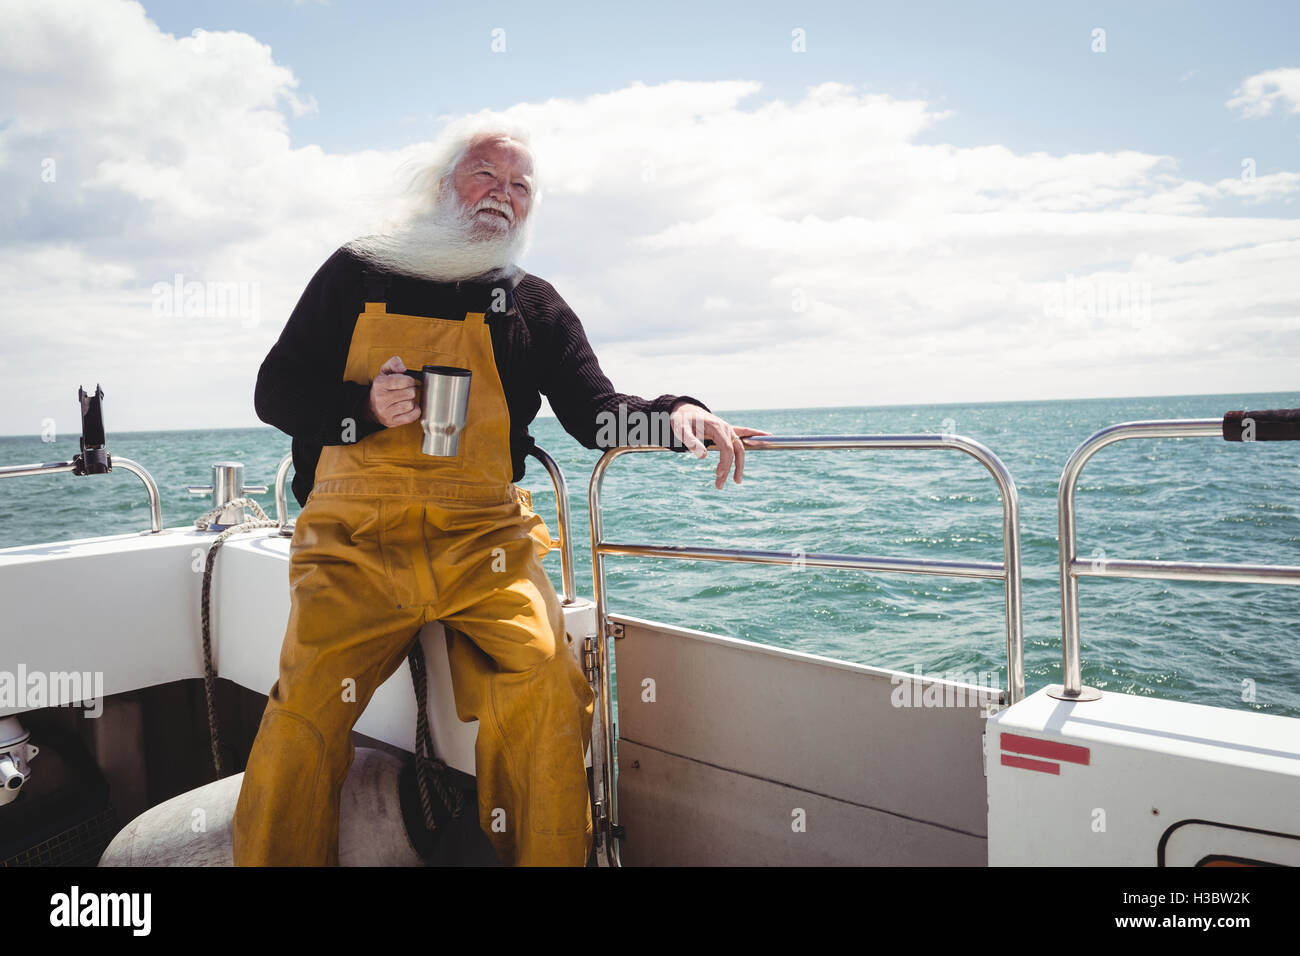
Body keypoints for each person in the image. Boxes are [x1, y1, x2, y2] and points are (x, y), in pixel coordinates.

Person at [232, 117, 771, 866]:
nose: (502, 195)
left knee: (550, 686)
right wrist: (362, 407)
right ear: (442, 185)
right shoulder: (357, 271)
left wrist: (678, 417)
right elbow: (274, 391)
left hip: (482, 541)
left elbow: (595, 416)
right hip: (353, 542)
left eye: (520, 186)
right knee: (306, 710)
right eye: (486, 175)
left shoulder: (533, 304)